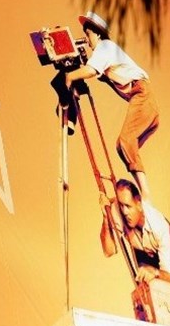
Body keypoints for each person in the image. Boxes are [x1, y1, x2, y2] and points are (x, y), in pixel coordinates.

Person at [65, 11, 159, 199]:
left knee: (126, 141)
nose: (86, 39)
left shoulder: (105, 47)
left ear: (98, 34)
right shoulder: (106, 54)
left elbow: (91, 71)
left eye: (88, 34)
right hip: (144, 99)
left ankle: (146, 194)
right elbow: (95, 71)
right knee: (122, 147)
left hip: (142, 95)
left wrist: (71, 76)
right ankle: (142, 194)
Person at [100, 179, 170, 285]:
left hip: (164, 240)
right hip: (141, 249)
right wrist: (106, 218)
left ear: (139, 204)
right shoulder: (117, 209)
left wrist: (155, 272)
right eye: (121, 205)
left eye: (128, 206)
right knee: (144, 282)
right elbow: (109, 251)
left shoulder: (159, 226)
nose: (124, 212)